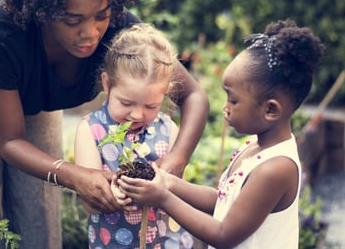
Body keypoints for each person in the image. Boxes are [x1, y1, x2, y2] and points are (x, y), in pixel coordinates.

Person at [0, 0, 209, 248]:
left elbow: (194, 96)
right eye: (73, 20)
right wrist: (75, 175)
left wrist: (176, 160)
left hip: (34, 97)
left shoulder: (119, 30)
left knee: (39, 216)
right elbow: (10, 142)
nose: (91, 33)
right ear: (44, 11)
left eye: (101, 15)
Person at [114, 19, 325, 248]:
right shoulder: (255, 147)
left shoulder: (275, 169)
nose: (225, 107)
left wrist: (163, 198)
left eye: (233, 100)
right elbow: (223, 201)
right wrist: (169, 183)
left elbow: (224, 234)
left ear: (270, 109)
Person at [74, 23, 194, 248]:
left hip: (166, 241)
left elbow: (180, 189)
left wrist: (163, 187)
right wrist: (113, 196)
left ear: (165, 93)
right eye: (126, 103)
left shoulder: (168, 129)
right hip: (114, 241)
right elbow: (89, 200)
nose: (137, 114)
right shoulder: (91, 130)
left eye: (151, 105)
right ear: (107, 85)